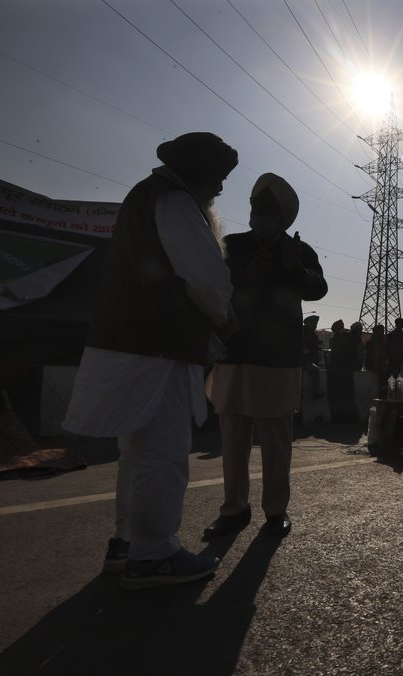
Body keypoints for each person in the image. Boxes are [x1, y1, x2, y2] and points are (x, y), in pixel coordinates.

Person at [62, 132, 238, 589]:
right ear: (199, 173)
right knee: (162, 453)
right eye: (218, 178)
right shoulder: (177, 202)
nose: (220, 189)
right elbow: (207, 279)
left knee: (137, 454)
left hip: (130, 344)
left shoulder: (144, 197)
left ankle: (127, 544)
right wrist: (226, 323)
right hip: (159, 347)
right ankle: (153, 555)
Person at [205, 173, 328, 540]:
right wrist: (245, 274)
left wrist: (294, 268)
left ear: (283, 217)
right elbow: (214, 286)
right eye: (257, 209)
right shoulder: (232, 245)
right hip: (236, 352)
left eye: (269, 211)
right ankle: (234, 510)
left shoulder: (299, 251)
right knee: (233, 439)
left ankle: (276, 511)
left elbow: (318, 288)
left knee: (276, 441)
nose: (261, 216)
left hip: (278, 359)